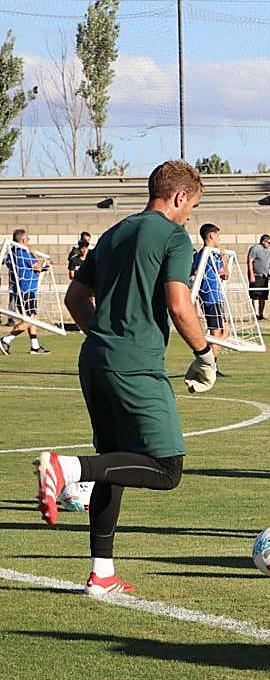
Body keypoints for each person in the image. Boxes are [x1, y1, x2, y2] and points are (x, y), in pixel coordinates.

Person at [35, 159, 217, 596]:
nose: (191, 215)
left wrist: (103, 334)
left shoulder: (114, 232)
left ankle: (101, 574)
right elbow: (179, 304)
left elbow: (77, 296)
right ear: (178, 197)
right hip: (135, 364)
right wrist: (205, 353)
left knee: (113, 464)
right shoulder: (174, 236)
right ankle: (65, 468)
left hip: (94, 359)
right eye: (192, 205)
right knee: (166, 468)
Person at [1, 228, 52, 355]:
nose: (29, 241)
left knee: (32, 316)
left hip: (20, 290)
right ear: (23, 240)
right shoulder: (23, 252)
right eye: (28, 239)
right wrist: (37, 257)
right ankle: (6, 339)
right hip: (26, 290)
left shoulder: (12, 252)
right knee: (30, 319)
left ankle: (34, 346)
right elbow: (37, 267)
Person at [191, 223, 230, 376]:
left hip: (217, 296)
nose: (219, 238)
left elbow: (224, 274)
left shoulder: (209, 253)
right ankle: (210, 365)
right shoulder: (207, 254)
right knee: (216, 332)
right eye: (217, 235)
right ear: (211, 236)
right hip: (210, 297)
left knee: (224, 331)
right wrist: (223, 257)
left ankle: (207, 358)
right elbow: (223, 272)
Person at [246, 234, 270, 320]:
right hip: (256, 276)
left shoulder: (269, 251)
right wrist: (251, 275)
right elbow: (250, 261)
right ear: (263, 241)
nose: (269, 245)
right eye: (268, 242)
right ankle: (256, 314)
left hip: (264, 276)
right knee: (256, 295)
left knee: (263, 296)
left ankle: (261, 314)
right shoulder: (255, 249)